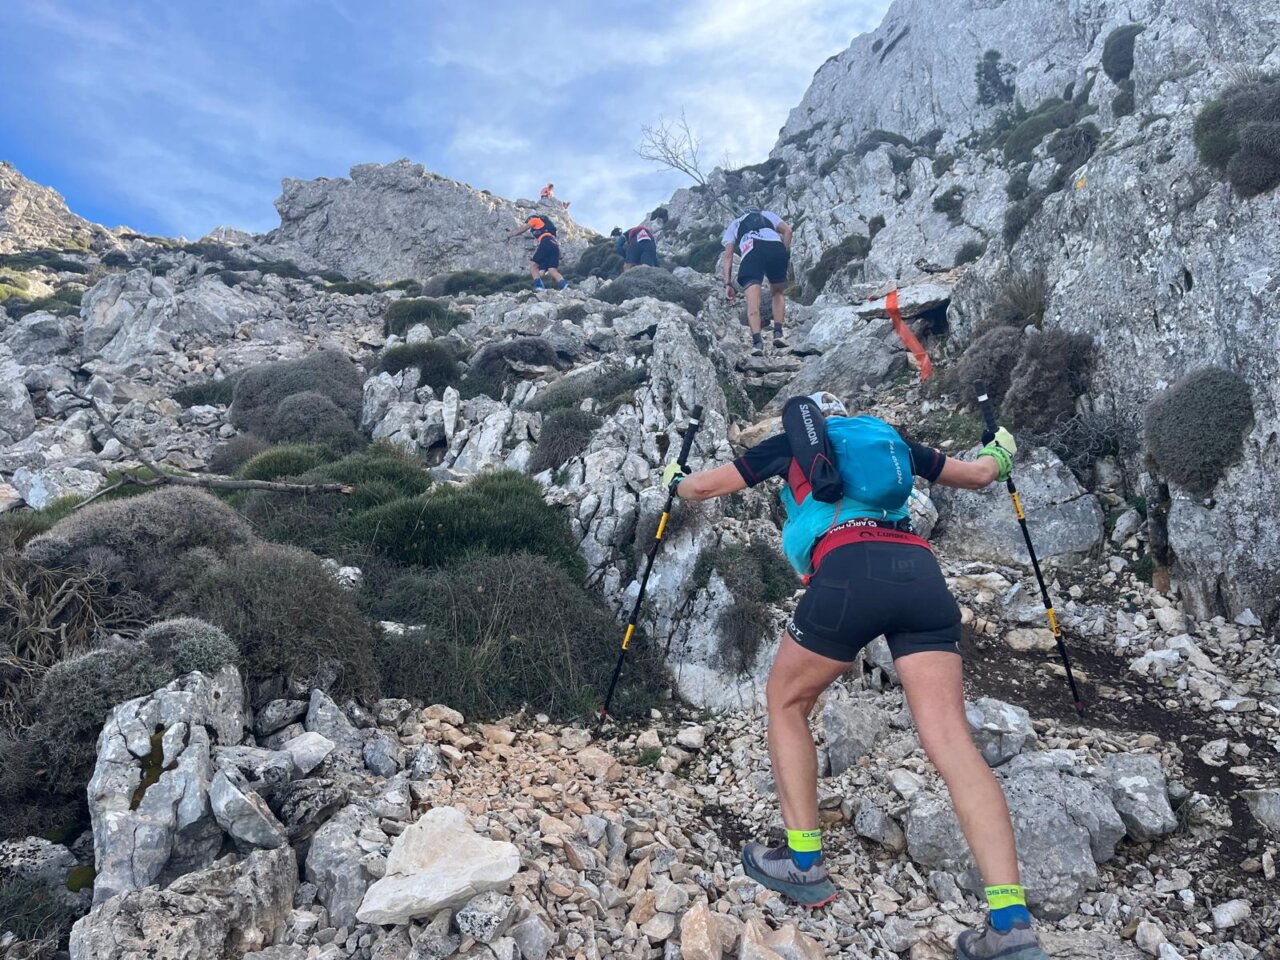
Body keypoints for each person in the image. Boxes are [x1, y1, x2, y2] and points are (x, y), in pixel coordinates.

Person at [660, 392, 1047, 960]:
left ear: (809, 421)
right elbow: (983, 474)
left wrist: (675, 477)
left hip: (845, 571)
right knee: (950, 740)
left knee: (787, 703)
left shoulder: (792, 445)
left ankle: (802, 861)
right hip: (918, 574)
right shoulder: (891, 443)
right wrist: (1001, 451)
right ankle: (1011, 924)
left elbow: (701, 489)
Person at [722, 209, 793, 355]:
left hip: (751, 251)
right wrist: (783, 253)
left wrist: (728, 283)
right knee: (777, 292)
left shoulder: (735, 223)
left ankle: (757, 343)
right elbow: (788, 231)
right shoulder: (766, 214)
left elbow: (728, 255)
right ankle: (778, 333)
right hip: (775, 248)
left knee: (753, 300)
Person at [506, 213, 568, 291]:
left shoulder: (535, 219)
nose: (528, 222)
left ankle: (539, 287)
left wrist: (511, 234)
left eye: (528, 221)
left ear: (530, 218)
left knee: (533, 266)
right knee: (552, 270)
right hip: (554, 245)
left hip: (546, 242)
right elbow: (544, 246)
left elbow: (523, 229)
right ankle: (565, 286)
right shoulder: (546, 228)